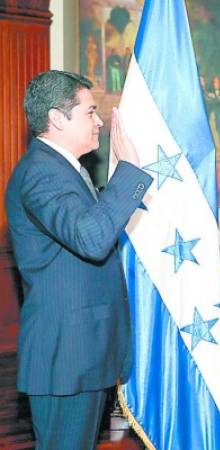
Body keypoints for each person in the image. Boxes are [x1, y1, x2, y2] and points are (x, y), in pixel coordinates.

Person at [5, 70, 153, 449]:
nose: (99, 121)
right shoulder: (42, 172)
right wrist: (130, 173)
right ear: (57, 118)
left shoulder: (65, 169)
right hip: (66, 357)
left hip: (82, 354)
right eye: (90, 112)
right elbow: (91, 238)